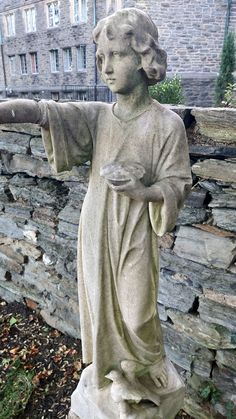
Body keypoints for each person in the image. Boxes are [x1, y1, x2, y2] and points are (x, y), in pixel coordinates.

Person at [0, 7, 192, 412]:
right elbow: (40, 111)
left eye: (117, 56)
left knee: (139, 311)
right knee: (102, 305)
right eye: (101, 59)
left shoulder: (166, 124)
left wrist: (143, 191)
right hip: (97, 224)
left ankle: (147, 363)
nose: (106, 68)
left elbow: (178, 184)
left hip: (135, 232)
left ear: (144, 58)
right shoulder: (98, 117)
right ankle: (116, 373)